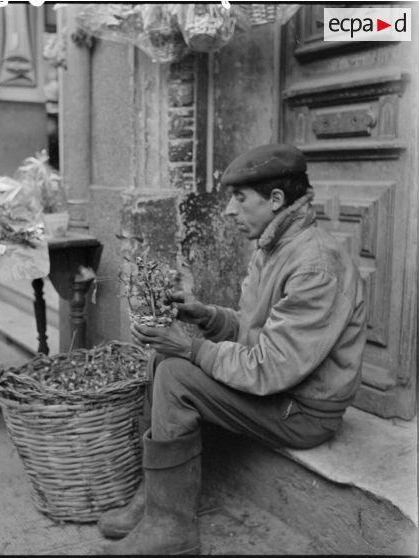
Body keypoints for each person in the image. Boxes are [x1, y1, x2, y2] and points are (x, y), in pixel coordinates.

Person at [97, 143, 367, 555]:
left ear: (276, 200)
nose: (228, 210)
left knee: (175, 371)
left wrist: (191, 347)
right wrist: (205, 315)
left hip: (304, 412)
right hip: (280, 393)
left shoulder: (314, 265)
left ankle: (173, 530)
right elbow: (251, 330)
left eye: (240, 198)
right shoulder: (274, 246)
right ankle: (155, 501)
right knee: (162, 357)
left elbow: (270, 368)